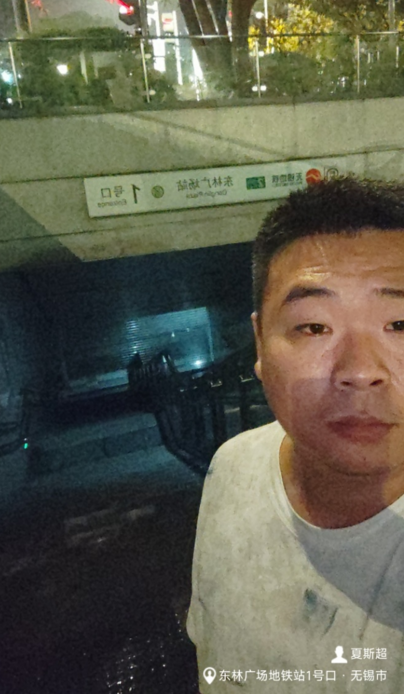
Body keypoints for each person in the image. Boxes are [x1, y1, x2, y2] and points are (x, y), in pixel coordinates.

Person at [187, 177, 404, 693]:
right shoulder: (233, 464)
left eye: (400, 324)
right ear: (260, 343)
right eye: (313, 327)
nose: (360, 371)